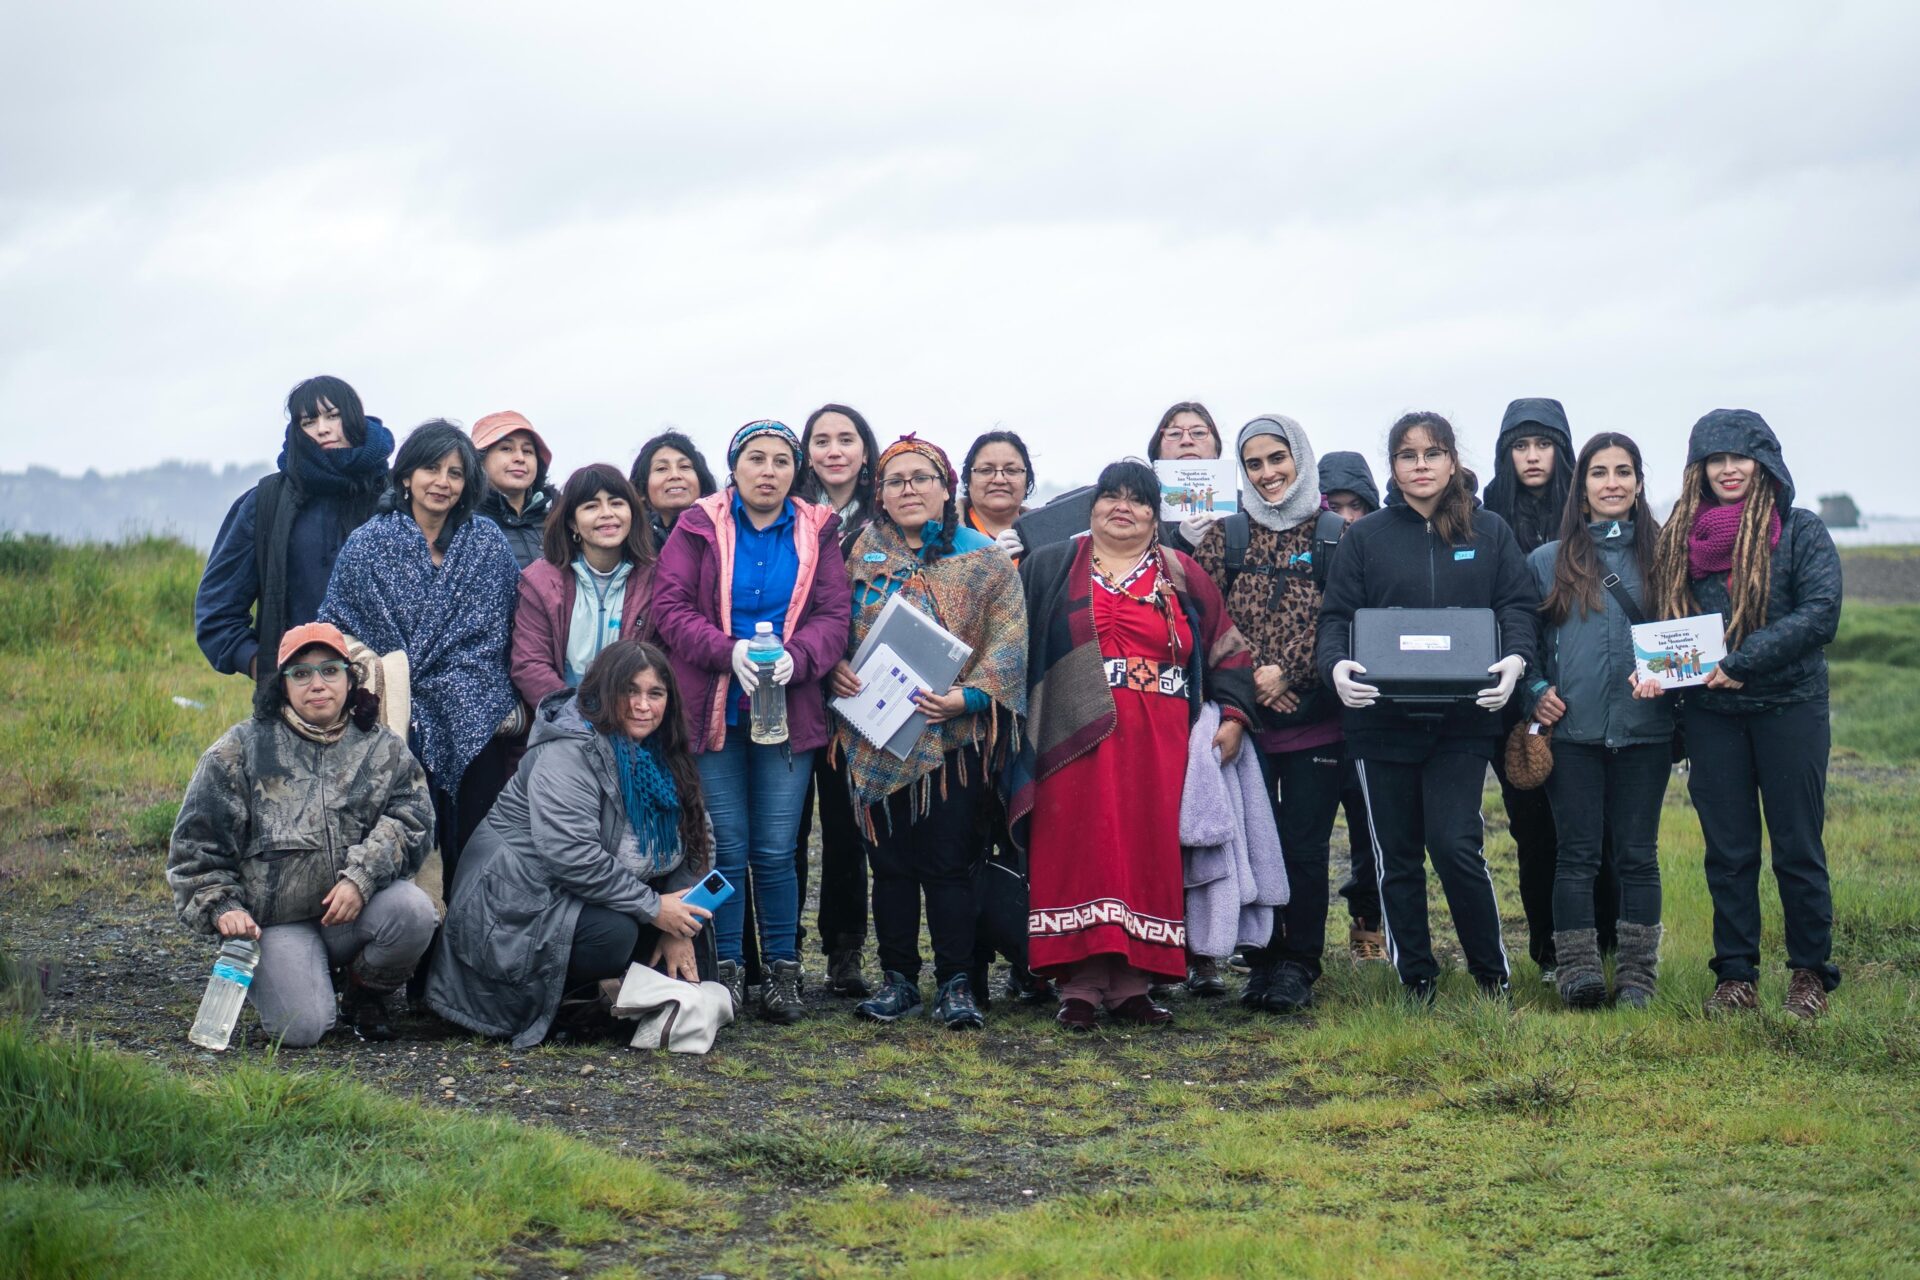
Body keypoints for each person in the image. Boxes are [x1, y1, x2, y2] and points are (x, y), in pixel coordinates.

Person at [1009, 459, 1257, 1030]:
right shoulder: (1050, 567)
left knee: (1148, 852)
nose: (1123, 507)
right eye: (1111, 496)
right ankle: (1078, 985)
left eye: (1139, 499)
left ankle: (1132, 985)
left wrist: (1236, 716)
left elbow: (1227, 648)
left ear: (1155, 512)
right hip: (1070, 739)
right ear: (1092, 507)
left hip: (1160, 742)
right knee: (1076, 849)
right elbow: (1010, 644)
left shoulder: (1181, 572)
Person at [1316, 412, 1539, 1003]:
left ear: (1451, 460)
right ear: (1392, 466)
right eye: (1408, 456)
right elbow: (1336, 618)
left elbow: (1518, 605)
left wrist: (1515, 659)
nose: (1421, 466)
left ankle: (1492, 976)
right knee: (1396, 857)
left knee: (1455, 846)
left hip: (1464, 721)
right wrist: (1336, 667)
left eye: (1432, 454)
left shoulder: (1487, 531)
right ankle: (1416, 976)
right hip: (1379, 722)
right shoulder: (1363, 538)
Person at [651, 419, 854, 1023]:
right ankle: (732, 968)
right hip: (713, 711)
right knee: (725, 848)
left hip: (786, 711)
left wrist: (798, 659)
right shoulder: (697, 526)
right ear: (734, 467)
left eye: (781, 461)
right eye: (756, 459)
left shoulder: (819, 531)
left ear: (797, 471)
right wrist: (728, 651)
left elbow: (833, 615)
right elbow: (670, 607)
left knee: (775, 848)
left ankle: (785, 973)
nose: (768, 471)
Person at [1645, 409, 1841, 1018]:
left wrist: (1745, 660)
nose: (1729, 469)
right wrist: (1654, 670)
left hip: (1790, 708)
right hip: (1712, 716)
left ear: (1766, 463)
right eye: (1715, 459)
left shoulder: (1800, 531)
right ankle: (1735, 977)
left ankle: (1810, 974)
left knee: (1797, 847)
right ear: (1697, 469)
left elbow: (1820, 613)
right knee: (1728, 852)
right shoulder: (1680, 536)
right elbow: (1671, 627)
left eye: (1741, 457)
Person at [827, 434, 1028, 1029]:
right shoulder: (854, 554)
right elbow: (828, 625)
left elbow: (1010, 645)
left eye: (921, 477)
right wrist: (832, 664)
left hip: (953, 742)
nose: (908, 489)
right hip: (875, 735)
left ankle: (957, 982)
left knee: (948, 864)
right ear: (880, 494)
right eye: (895, 480)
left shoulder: (983, 557)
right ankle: (897, 980)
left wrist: (966, 698)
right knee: (888, 865)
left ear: (946, 489)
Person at [427, 641, 718, 1047]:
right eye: (629, 691)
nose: (642, 706)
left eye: (655, 694)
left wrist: (678, 919)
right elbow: (571, 856)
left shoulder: (662, 752)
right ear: (602, 693)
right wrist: (655, 909)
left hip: (584, 895)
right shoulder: (569, 750)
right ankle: (565, 1004)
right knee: (614, 935)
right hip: (516, 904)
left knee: (678, 930)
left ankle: (613, 999)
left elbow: (697, 839)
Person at [167, 623, 436, 1046]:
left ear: (350, 678)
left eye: (330, 671)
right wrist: (223, 907)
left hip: (352, 915)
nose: (318, 684)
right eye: (301, 673)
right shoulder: (239, 751)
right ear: (282, 686)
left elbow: (414, 818)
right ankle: (297, 977)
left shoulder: (382, 747)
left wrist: (362, 877)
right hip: (276, 924)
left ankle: (363, 992)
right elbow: (194, 850)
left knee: (415, 912)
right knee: (303, 1028)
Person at [319, 420, 523, 888]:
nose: (443, 482)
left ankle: (472, 945)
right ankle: (412, 945)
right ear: (406, 475)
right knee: (405, 844)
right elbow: (335, 628)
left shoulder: (486, 543)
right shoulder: (368, 543)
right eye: (432, 468)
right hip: (395, 716)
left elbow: (508, 628)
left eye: (455, 473)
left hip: (476, 713)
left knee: (480, 847)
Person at [1190, 415, 1343, 1013]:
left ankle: (1299, 965)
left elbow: (1346, 618)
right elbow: (1201, 619)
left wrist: (1290, 673)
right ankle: (1260, 961)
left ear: (1300, 457)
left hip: (1316, 725)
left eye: (1277, 458)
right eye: (1254, 464)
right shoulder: (1225, 536)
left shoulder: (1337, 536)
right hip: (1243, 723)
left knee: (1304, 848)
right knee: (1254, 844)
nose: (1268, 473)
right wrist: (1254, 680)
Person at [1523, 433, 1672, 1008]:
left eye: (1624, 471)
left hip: (1646, 732)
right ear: (1581, 487)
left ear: (1638, 483)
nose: (1612, 482)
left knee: (1638, 856)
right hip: (1574, 735)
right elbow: (1524, 641)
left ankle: (1638, 978)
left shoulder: (1666, 560)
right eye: (1600, 472)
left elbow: (1689, 639)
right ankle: (1578, 972)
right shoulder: (1546, 562)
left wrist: (1674, 677)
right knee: (1577, 854)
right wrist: (1536, 690)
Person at [1479, 397, 1606, 981]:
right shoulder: (1485, 520)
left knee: (1592, 829)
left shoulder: (1588, 516)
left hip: (1585, 692)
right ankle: (1551, 952)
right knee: (1533, 830)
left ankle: (1602, 944)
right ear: (1506, 453)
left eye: (1544, 444)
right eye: (1520, 446)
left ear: (1564, 451)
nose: (1532, 457)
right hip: (1514, 701)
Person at [196, 375, 392, 690]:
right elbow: (217, 609)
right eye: (308, 420)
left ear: (354, 418)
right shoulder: (266, 502)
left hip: (386, 689)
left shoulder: (396, 497)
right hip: (297, 694)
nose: (323, 428)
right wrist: (261, 664)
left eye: (333, 415)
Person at [786, 404, 882, 994]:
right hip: (797, 687)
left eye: (846, 439)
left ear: (865, 449)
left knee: (850, 830)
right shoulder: (790, 515)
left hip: (865, 693)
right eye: (821, 440)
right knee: (787, 830)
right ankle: (783, 954)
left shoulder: (884, 515)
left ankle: (845, 951)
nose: (834, 450)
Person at [512, 464, 657, 710]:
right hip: (564, 724)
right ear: (573, 523)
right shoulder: (541, 581)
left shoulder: (656, 579)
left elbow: (663, 659)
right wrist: (578, 716)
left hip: (635, 718)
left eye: (617, 503)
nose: (607, 513)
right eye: (591, 506)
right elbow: (529, 664)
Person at [1317, 450, 1386, 961]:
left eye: (1355, 505)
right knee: (1308, 836)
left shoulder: (1381, 549)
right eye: (1333, 505)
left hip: (1370, 714)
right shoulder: (1308, 549)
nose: (1345, 517)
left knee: (1371, 831)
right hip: (1314, 716)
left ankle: (1369, 927)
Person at [473, 411, 558, 571]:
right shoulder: (463, 522)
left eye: (527, 451)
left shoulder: (556, 522)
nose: (520, 458)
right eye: (506, 449)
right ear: (480, 461)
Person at [1146, 401, 1225, 555]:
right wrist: (1180, 543)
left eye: (1199, 433)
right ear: (1157, 451)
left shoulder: (1246, 506)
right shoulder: (1138, 506)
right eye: (1174, 433)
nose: (1187, 440)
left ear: (1217, 448)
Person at [630, 430, 720, 549]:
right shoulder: (634, 546)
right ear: (641, 490)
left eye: (684, 467)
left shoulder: (725, 532)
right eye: (661, 469)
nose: (675, 475)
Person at [960, 429, 1036, 559]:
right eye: (986, 470)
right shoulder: (944, 536)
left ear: (1027, 479)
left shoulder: (1045, 533)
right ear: (968, 479)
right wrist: (992, 564)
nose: (999, 480)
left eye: (1011, 470)